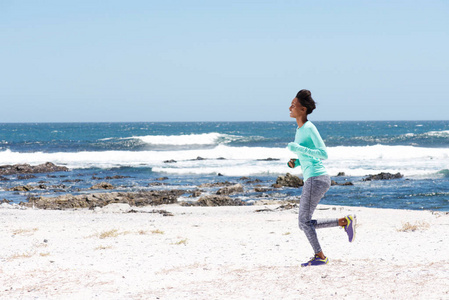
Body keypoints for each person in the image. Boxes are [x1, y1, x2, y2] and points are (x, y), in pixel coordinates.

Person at [287, 89, 356, 267]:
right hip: (312, 177)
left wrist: (298, 149)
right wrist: (297, 162)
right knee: (305, 223)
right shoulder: (300, 129)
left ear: (303, 109)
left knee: (303, 222)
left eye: (293, 105)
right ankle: (343, 222)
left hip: (317, 178)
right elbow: (309, 157)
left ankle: (320, 256)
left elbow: (323, 154)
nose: (290, 107)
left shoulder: (309, 128)